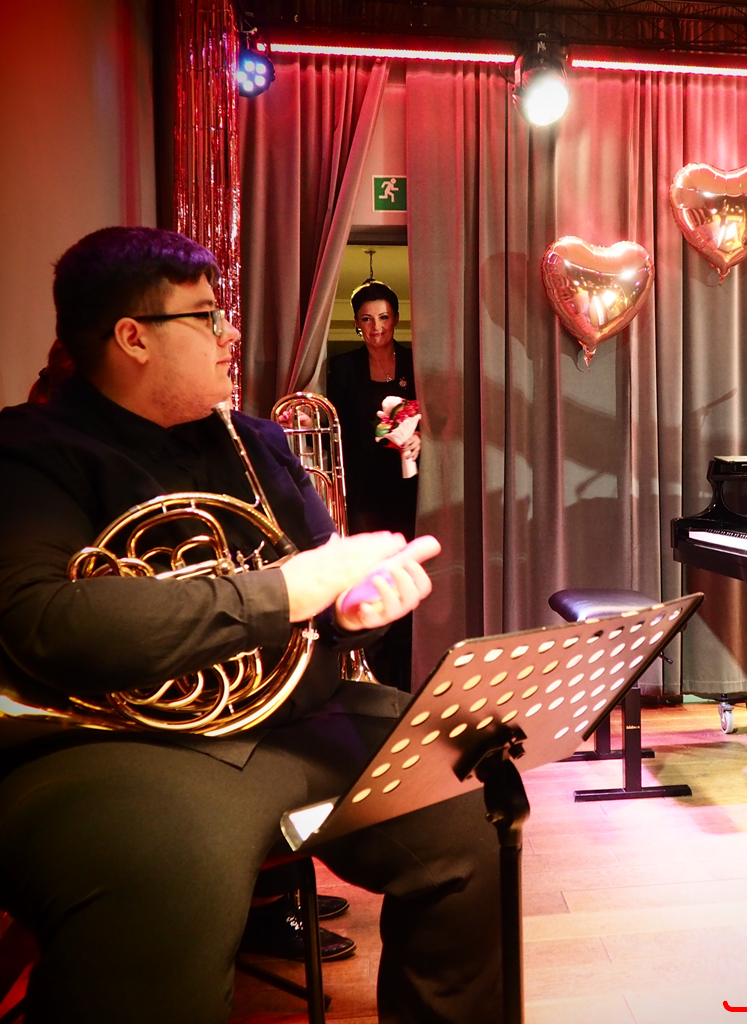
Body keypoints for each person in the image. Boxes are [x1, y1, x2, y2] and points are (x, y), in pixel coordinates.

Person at [0, 227, 502, 1024]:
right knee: (163, 868)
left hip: (299, 716)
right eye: (207, 316)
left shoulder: (256, 441)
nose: (230, 334)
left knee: (474, 792)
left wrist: (351, 614)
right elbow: (46, 623)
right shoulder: (29, 451)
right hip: (124, 746)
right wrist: (283, 592)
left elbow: (321, 592)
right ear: (133, 337)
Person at [327, 282, 419, 691]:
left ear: (395, 319)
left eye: (383, 317)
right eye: (367, 319)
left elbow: (438, 417)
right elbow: (338, 428)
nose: (376, 326)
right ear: (356, 324)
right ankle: (372, 676)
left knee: (407, 570)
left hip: (409, 487)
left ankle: (405, 677)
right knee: (372, 576)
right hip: (363, 487)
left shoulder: (415, 362)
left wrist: (421, 440)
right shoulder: (342, 366)